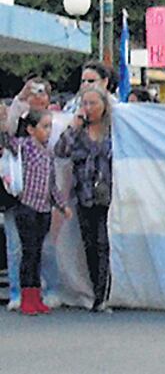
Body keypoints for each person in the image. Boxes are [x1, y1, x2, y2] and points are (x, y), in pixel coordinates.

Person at [2, 109, 71, 315]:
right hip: (27, 206)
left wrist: (62, 206)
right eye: (44, 126)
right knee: (29, 253)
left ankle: (36, 296)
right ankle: (26, 297)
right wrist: (5, 120)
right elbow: (6, 139)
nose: (48, 131)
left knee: (38, 253)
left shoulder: (48, 154)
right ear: (31, 129)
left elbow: (52, 186)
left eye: (50, 127)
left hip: (44, 209)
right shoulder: (24, 147)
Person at [55, 87, 112, 312]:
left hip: (109, 196)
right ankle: (95, 289)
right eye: (85, 103)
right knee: (90, 244)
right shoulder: (78, 131)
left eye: (93, 103)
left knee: (104, 243)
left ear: (104, 105)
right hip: (84, 195)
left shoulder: (113, 130)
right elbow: (61, 151)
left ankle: (103, 293)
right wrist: (74, 126)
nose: (88, 108)